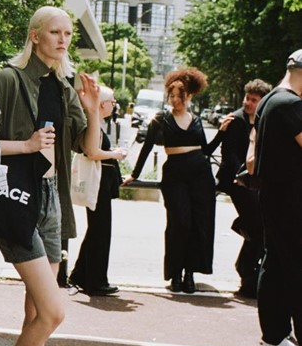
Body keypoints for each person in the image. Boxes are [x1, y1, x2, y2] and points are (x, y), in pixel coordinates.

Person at [0, 7, 101, 346]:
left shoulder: (62, 83)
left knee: (37, 311)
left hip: (52, 198)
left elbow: (89, 147)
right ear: (35, 35)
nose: (64, 39)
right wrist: (27, 145)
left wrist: (92, 110)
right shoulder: (7, 79)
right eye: (55, 31)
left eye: (68, 32)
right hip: (16, 201)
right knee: (53, 310)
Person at [123, 68, 217, 294]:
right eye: (172, 95)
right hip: (175, 175)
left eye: (180, 95)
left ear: (190, 96)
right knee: (179, 223)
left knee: (197, 225)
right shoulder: (161, 120)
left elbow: (206, 150)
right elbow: (146, 148)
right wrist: (134, 174)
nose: (175, 100)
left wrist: (222, 133)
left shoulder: (196, 120)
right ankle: (175, 273)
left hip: (200, 175)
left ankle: (189, 274)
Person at [249, 49, 302, 346]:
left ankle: (274, 337)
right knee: (294, 268)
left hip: (274, 197)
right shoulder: (291, 103)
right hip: (292, 200)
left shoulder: (269, 100)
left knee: (276, 267)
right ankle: (277, 337)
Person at [209, 79, 271, 298]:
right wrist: (243, 176)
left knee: (258, 226)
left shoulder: (263, 120)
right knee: (256, 224)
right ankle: (246, 271)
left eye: (254, 100)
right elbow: (231, 155)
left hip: (253, 181)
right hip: (235, 181)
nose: (249, 103)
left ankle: (246, 272)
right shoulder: (236, 120)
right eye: (247, 98)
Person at [70, 85, 127, 296]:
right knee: (100, 231)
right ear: (103, 104)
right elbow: (93, 153)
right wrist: (115, 154)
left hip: (100, 183)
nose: (114, 105)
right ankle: (95, 280)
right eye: (112, 102)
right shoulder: (94, 124)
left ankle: (81, 274)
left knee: (97, 230)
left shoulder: (96, 124)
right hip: (98, 185)